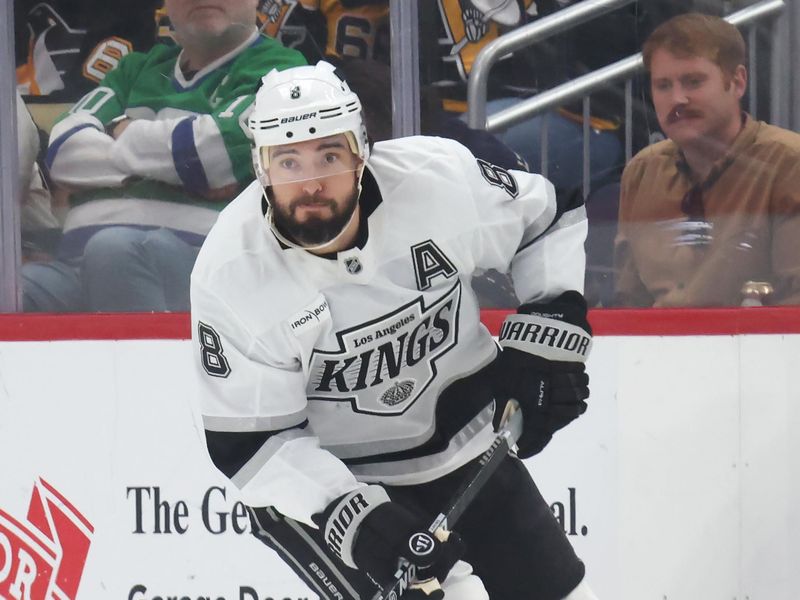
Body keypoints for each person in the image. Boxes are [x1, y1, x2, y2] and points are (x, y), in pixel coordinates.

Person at [190, 61, 598, 600]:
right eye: (287, 160)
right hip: (334, 486)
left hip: (461, 442)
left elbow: (546, 218)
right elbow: (251, 444)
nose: (309, 182)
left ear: (362, 152)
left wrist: (547, 337)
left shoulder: (436, 180)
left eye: (329, 156)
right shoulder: (231, 272)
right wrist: (354, 518)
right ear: (261, 168)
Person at [22, 0, 306, 312]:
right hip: (74, 265)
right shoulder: (134, 68)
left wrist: (114, 131)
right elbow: (63, 153)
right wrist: (167, 167)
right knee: (15, 289)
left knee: (113, 250)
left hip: (200, 269)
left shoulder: (284, 74)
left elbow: (212, 156)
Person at [613, 13, 800, 307]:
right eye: (663, 86)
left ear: (737, 82)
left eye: (693, 82)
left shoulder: (789, 162)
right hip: (654, 349)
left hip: (755, 348)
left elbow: (794, 306)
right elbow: (627, 303)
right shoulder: (641, 172)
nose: (678, 99)